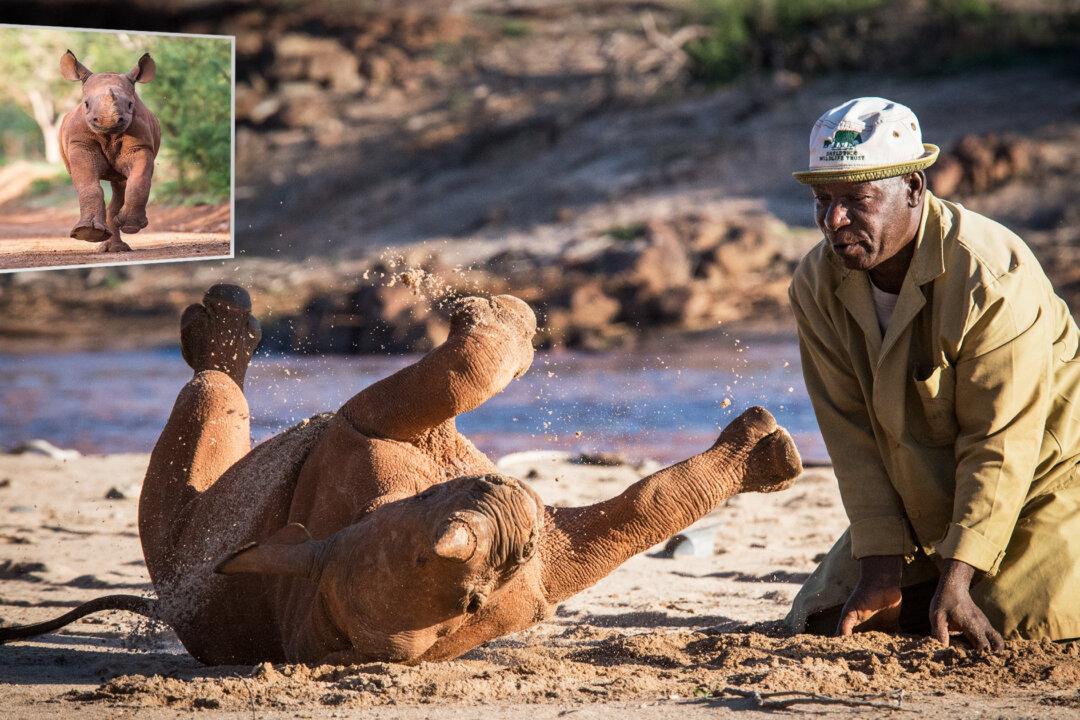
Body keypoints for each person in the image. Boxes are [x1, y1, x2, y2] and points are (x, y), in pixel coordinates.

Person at [784, 97, 1080, 648]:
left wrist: (958, 575)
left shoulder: (991, 277)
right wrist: (879, 573)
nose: (834, 220)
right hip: (926, 494)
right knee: (820, 620)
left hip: (1046, 480)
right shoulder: (816, 284)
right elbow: (850, 436)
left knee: (1019, 628)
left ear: (915, 189)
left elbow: (1002, 442)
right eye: (822, 200)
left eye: (856, 199)